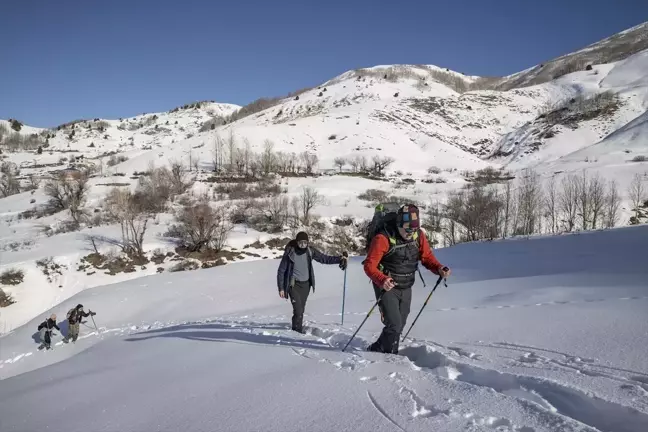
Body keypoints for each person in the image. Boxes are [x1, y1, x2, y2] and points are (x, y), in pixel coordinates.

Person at [363, 204, 450, 354]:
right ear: (398, 224)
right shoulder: (383, 238)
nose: (411, 233)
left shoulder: (418, 236)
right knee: (394, 324)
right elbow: (369, 266)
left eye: (414, 229)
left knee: (400, 324)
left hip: (406, 284)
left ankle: (378, 347)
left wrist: (439, 268)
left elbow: (427, 257)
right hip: (386, 286)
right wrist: (382, 279)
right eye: (408, 229)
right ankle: (390, 355)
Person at [277, 231, 348, 333]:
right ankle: (296, 332)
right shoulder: (290, 253)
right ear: (297, 242)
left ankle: (296, 329)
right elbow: (281, 270)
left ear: (308, 243)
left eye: (305, 243)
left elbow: (324, 258)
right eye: (300, 243)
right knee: (298, 311)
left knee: (301, 309)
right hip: (293, 285)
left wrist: (339, 259)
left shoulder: (310, 251)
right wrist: (281, 288)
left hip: (306, 285)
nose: (302, 245)